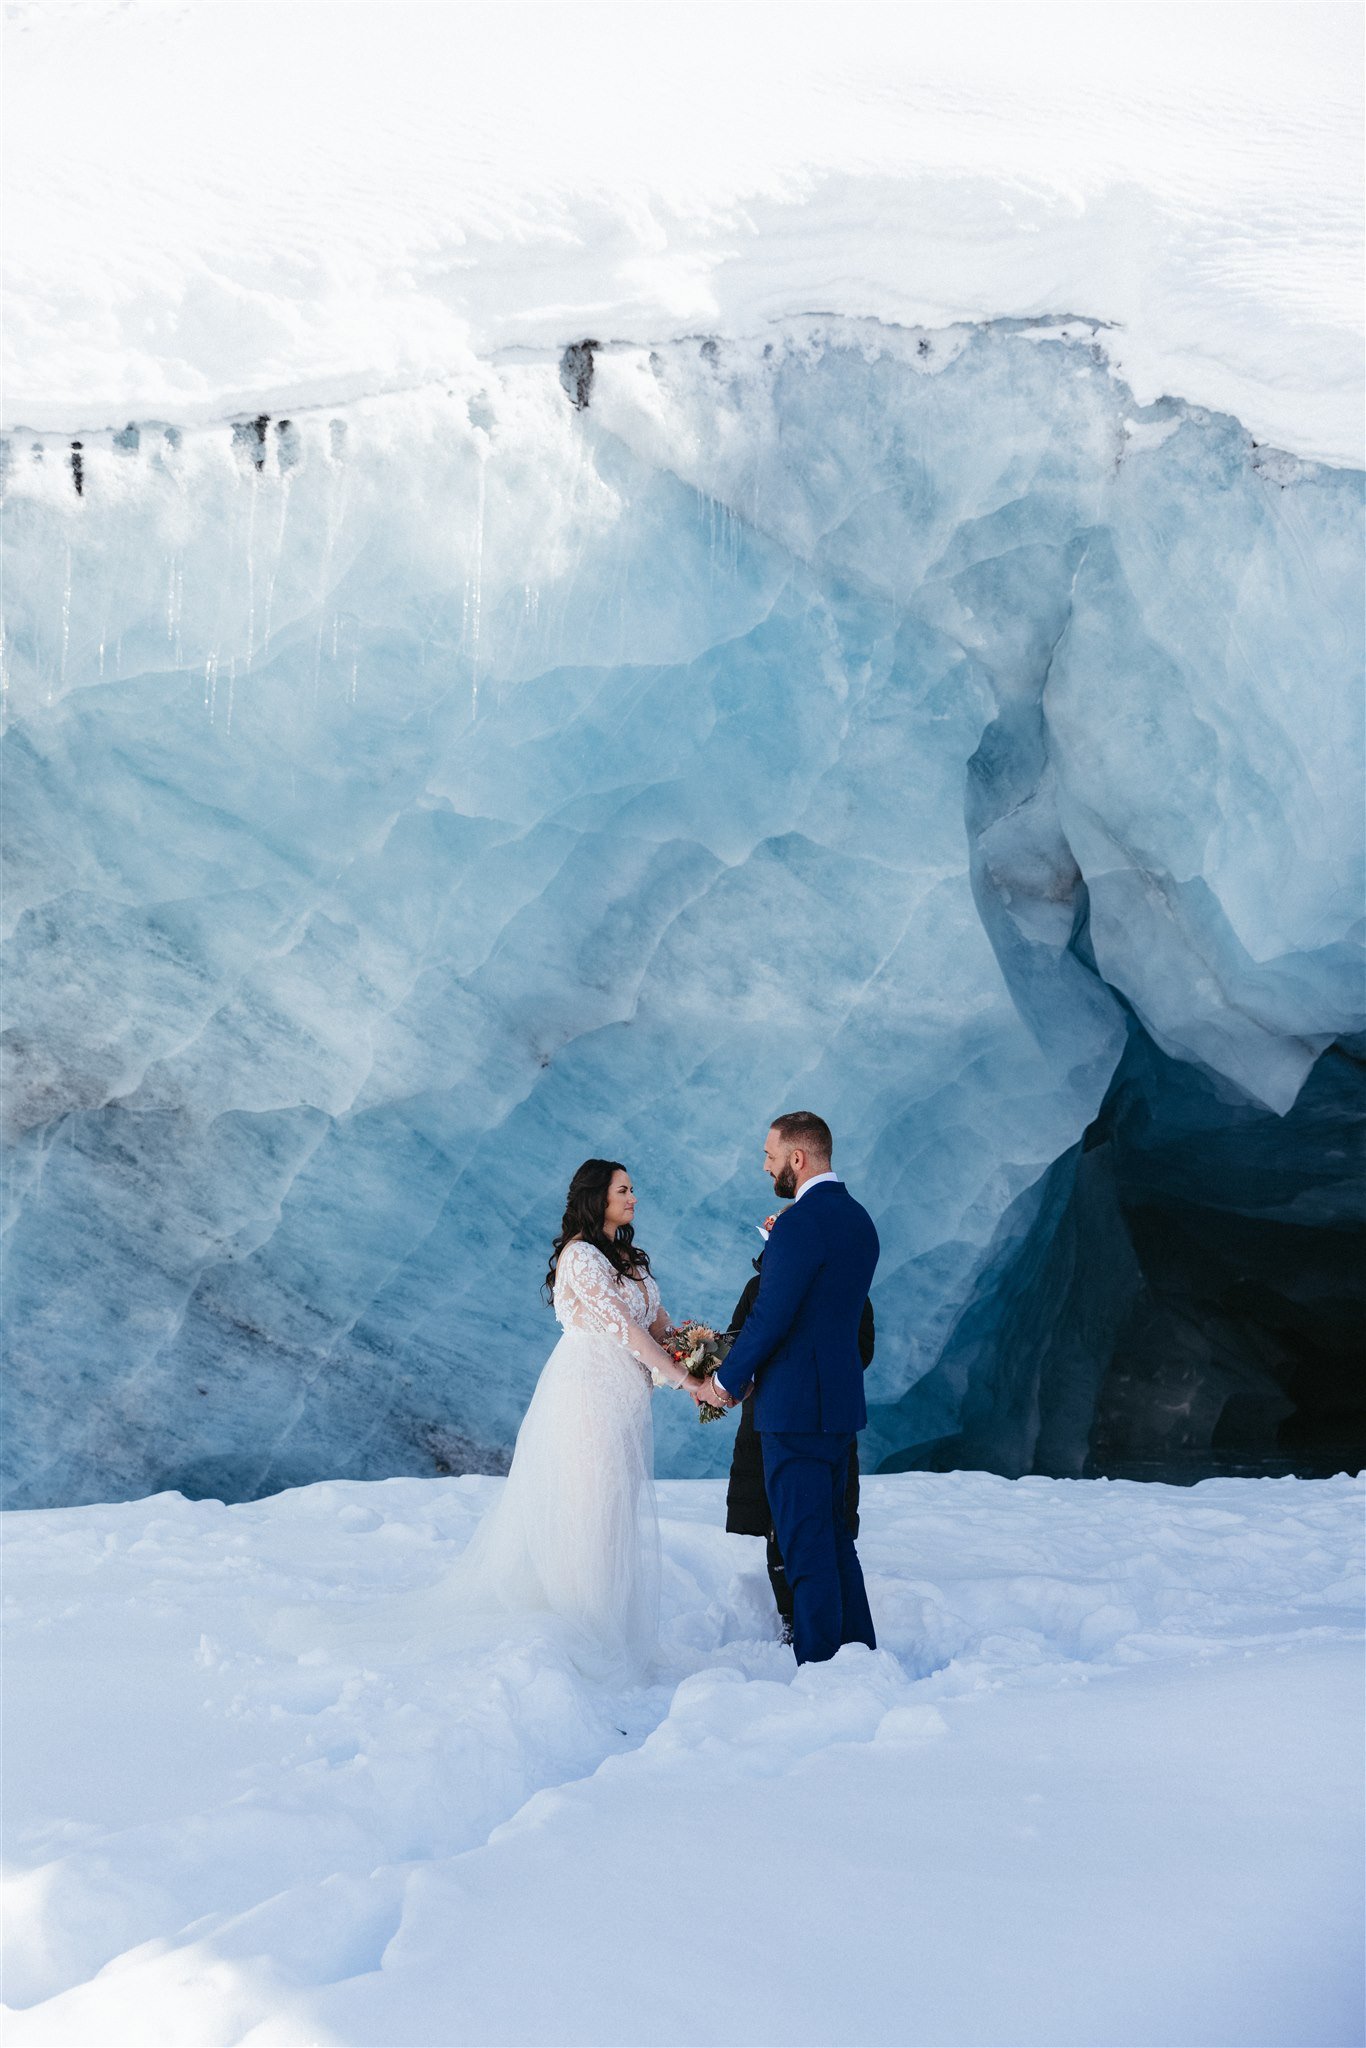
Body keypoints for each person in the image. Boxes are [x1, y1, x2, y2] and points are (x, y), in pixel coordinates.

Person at [448, 1158, 695, 1680]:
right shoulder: (581, 1257)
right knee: (592, 1506)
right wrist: (682, 1381)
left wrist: (698, 1352)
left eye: (632, 1189)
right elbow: (624, 1329)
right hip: (589, 1389)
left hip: (628, 1397)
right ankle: (587, 1635)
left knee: (617, 1505)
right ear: (596, 1196)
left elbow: (657, 1323)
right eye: (623, 1190)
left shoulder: (630, 1257)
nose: (633, 1198)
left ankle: (612, 1632)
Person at [689, 1112, 880, 1665]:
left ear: (798, 1159)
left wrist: (725, 1381)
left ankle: (821, 1663)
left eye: (770, 1156)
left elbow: (771, 1316)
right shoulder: (859, 1221)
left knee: (803, 1541)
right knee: (836, 1536)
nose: (766, 1166)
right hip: (840, 1406)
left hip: (794, 1408)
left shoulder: (800, 1224)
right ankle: (859, 1652)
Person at [725, 1229, 875, 1641]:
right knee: (779, 1522)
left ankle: (827, 1627)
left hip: (820, 1415)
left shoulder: (848, 1290)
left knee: (825, 1520)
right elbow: (737, 1342)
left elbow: (860, 1350)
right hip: (772, 1419)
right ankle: (793, 1617)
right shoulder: (759, 1288)